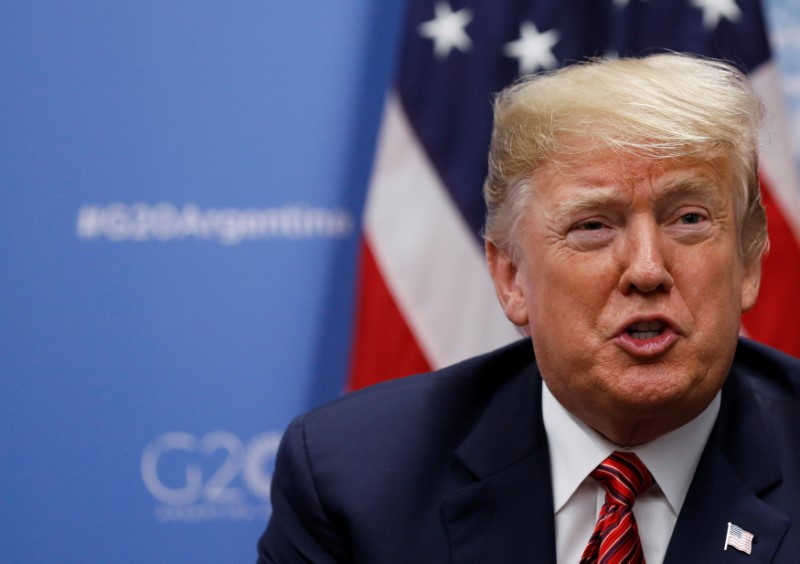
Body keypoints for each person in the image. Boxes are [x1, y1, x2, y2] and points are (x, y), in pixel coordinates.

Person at [257, 54, 800, 563]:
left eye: (688, 219)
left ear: (749, 263)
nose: (647, 270)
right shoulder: (355, 478)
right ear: (512, 277)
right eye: (593, 226)